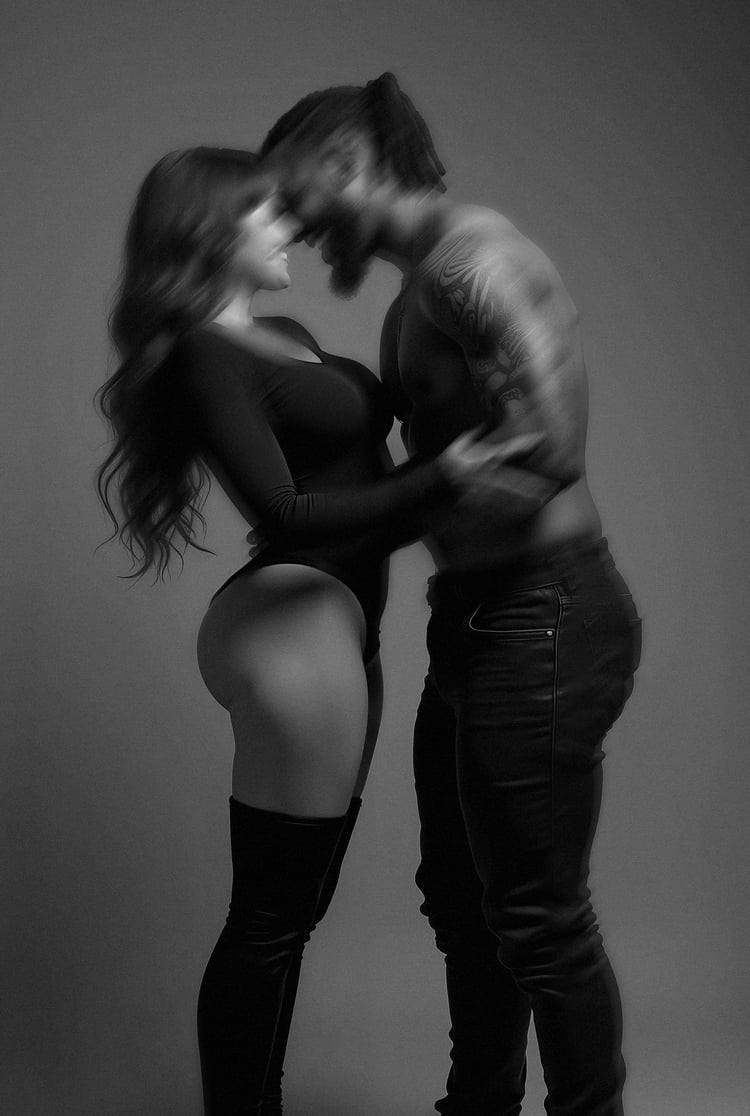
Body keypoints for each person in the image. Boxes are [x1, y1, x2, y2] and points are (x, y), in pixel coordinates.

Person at [95, 146, 534, 1115]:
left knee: (293, 911)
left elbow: (369, 476)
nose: (290, 224)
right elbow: (285, 511)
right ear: (209, 229)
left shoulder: (283, 334)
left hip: (332, 624)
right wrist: (447, 477)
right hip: (294, 619)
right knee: (271, 918)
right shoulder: (205, 354)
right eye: (265, 212)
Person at [261, 73, 642, 1116]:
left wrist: (378, 515)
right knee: (464, 903)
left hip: (544, 611)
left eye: (295, 192)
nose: (289, 222)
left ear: (348, 161)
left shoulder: (476, 265)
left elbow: (551, 453)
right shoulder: (414, 292)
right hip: (475, 619)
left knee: (536, 915)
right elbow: (438, 473)